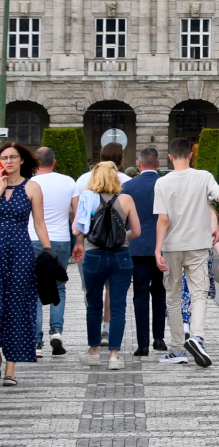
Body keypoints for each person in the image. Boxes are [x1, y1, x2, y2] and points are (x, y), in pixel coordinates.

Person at [154, 137, 219, 368]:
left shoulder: (162, 183)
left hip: (172, 246)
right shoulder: (203, 176)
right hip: (198, 244)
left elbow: (163, 219)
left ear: (170, 157)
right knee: (199, 294)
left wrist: (157, 250)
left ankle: (177, 349)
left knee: (173, 296)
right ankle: (197, 337)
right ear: (191, 155)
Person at [72, 161, 142, 369]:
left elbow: (77, 230)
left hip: (94, 255)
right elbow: (137, 231)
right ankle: (114, 356)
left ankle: (94, 352)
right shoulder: (127, 199)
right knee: (118, 306)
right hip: (121, 255)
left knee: (94, 305)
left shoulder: (87, 197)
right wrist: (120, 238)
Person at [1, 141, 54, 386]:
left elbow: (39, 224)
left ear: (22, 160)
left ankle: (10, 369)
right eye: (5, 157)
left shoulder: (32, 187)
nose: (9, 161)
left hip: (20, 253)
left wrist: (48, 252)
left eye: (13, 157)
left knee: (17, 307)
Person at [28, 146, 77, 358]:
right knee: (60, 287)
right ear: (54, 162)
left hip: (33, 238)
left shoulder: (28, 183)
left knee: (35, 290)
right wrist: (79, 240)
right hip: (60, 240)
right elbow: (76, 212)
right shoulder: (68, 181)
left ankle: (36, 343)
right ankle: (56, 331)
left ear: (35, 163)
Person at [120, 147, 168, 356]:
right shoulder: (166, 185)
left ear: (139, 165)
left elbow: (121, 219)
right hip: (163, 246)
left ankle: (143, 344)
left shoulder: (128, 186)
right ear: (158, 164)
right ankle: (159, 338)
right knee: (160, 292)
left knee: (140, 294)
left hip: (137, 247)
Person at [180, 208, 219, 336]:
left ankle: (185, 322)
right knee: (198, 291)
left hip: (181, 249)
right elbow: (215, 236)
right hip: (202, 252)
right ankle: (196, 329)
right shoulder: (208, 211)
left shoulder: (181, 206)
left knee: (183, 287)